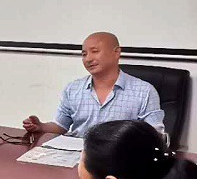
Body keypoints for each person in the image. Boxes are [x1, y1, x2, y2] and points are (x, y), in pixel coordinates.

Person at [23, 32, 163, 137]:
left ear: (116, 52)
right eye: (84, 54)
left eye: (95, 52)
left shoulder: (144, 91)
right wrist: (41, 127)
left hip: (119, 158)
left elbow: (155, 135)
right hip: (76, 156)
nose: (88, 59)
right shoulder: (73, 88)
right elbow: (61, 125)